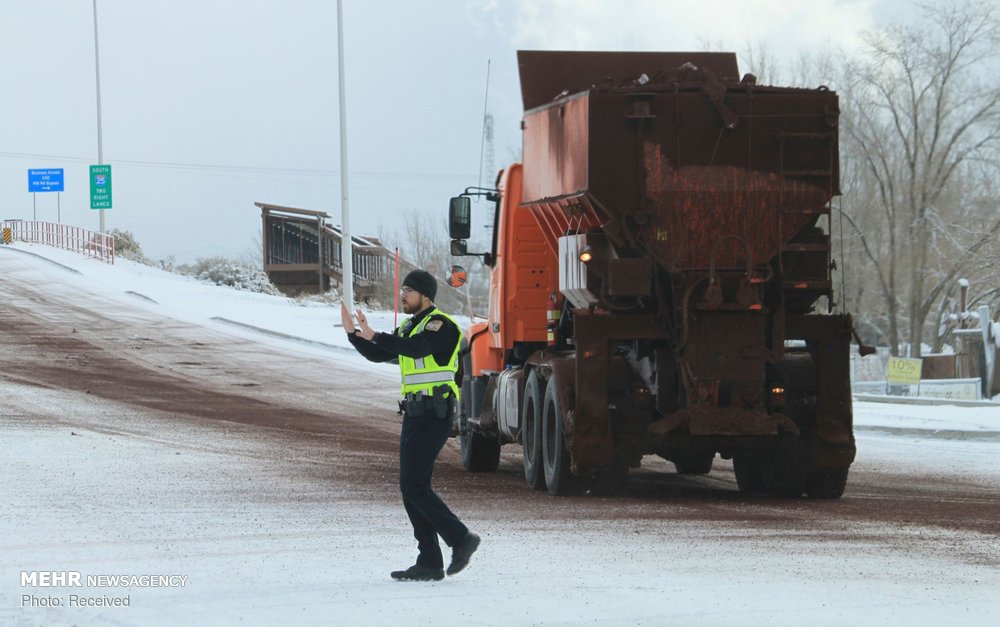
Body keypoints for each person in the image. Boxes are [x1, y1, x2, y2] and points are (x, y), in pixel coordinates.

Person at [341, 269, 480, 582]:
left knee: (414, 485)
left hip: (435, 411)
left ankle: (460, 539)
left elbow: (418, 349)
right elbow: (380, 355)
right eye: (402, 290)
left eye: (409, 291)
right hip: (416, 413)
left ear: (425, 295)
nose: (402, 295)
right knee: (411, 486)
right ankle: (429, 561)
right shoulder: (408, 326)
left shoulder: (441, 324)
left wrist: (375, 334)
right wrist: (354, 334)